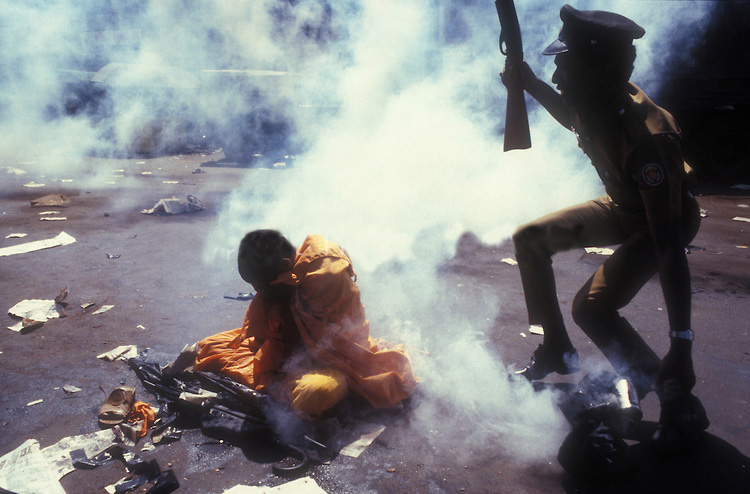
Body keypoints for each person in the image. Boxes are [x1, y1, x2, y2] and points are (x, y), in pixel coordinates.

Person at [501, 5, 707, 447]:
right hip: (624, 205)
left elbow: (669, 247)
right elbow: (571, 117)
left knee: (591, 308)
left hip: (662, 222)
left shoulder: (650, 137)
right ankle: (556, 348)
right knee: (530, 240)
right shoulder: (595, 97)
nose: (557, 78)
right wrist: (528, 83)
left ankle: (671, 391)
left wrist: (682, 344)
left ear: (596, 69)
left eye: (563, 66)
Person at [187, 230, 417, 420]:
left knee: (315, 394)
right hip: (299, 345)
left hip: (342, 358)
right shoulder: (288, 274)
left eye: (262, 285)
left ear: (287, 263)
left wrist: (290, 362)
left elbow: (335, 342)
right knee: (212, 346)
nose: (259, 293)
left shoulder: (327, 276)